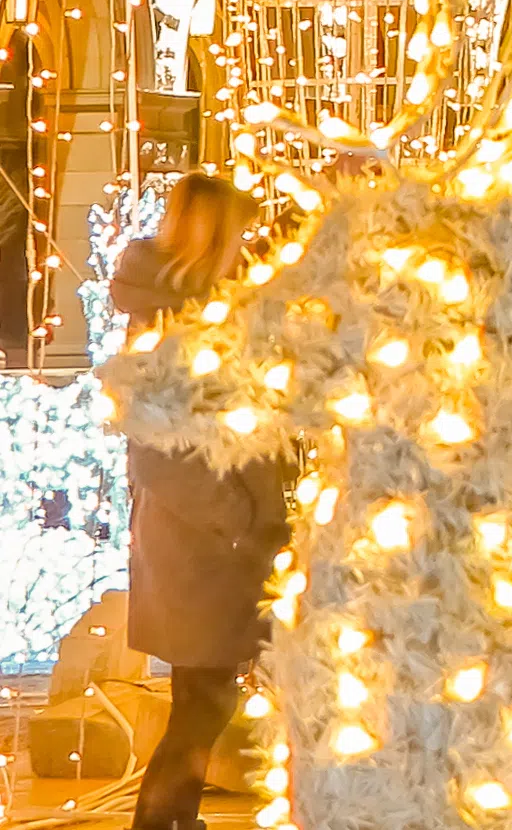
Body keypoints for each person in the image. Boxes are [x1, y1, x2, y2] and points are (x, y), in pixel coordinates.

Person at [108, 173, 284, 830]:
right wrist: (237, 520)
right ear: (215, 237)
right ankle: (159, 822)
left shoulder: (198, 314)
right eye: (243, 233)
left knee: (205, 697)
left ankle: (175, 818)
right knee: (202, 701)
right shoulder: (169, 328)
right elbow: (162, 454)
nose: (253, 245)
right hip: (202, 546)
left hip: (211, 542)